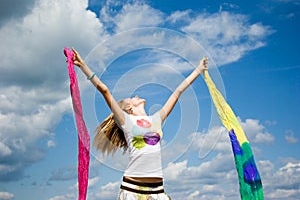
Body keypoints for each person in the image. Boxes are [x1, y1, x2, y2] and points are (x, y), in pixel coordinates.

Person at [71, 48, 208, 200]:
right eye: (132, 98)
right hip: (132, 187)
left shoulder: (157, 119)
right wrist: (83, 66)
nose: (136, 96)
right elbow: (105, 90)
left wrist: (199, 69)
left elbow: (178, 91)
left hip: (157, 190)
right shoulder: (126, 120)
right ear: (129, 108)